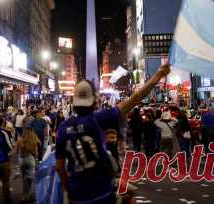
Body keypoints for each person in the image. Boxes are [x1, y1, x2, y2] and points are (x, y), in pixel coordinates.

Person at [55, 64, 170, 204]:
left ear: (74, 101)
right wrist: (158, 75)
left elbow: (60, 167)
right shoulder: (99, 119)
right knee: (130, 198)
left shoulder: (62, 128)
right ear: (94, 101)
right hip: (101, 193)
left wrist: (69, 189)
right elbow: (136, 98)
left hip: (76, 196)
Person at [15, 129, 39, 202]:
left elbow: (16, 151)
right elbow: (36, 152)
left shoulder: (20, 140)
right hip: (30, 159)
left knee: (24, 178)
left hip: (21, 159)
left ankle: (24, 195)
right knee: (29, 179)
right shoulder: (34, 139)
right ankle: (25, 196)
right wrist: (36, 160)